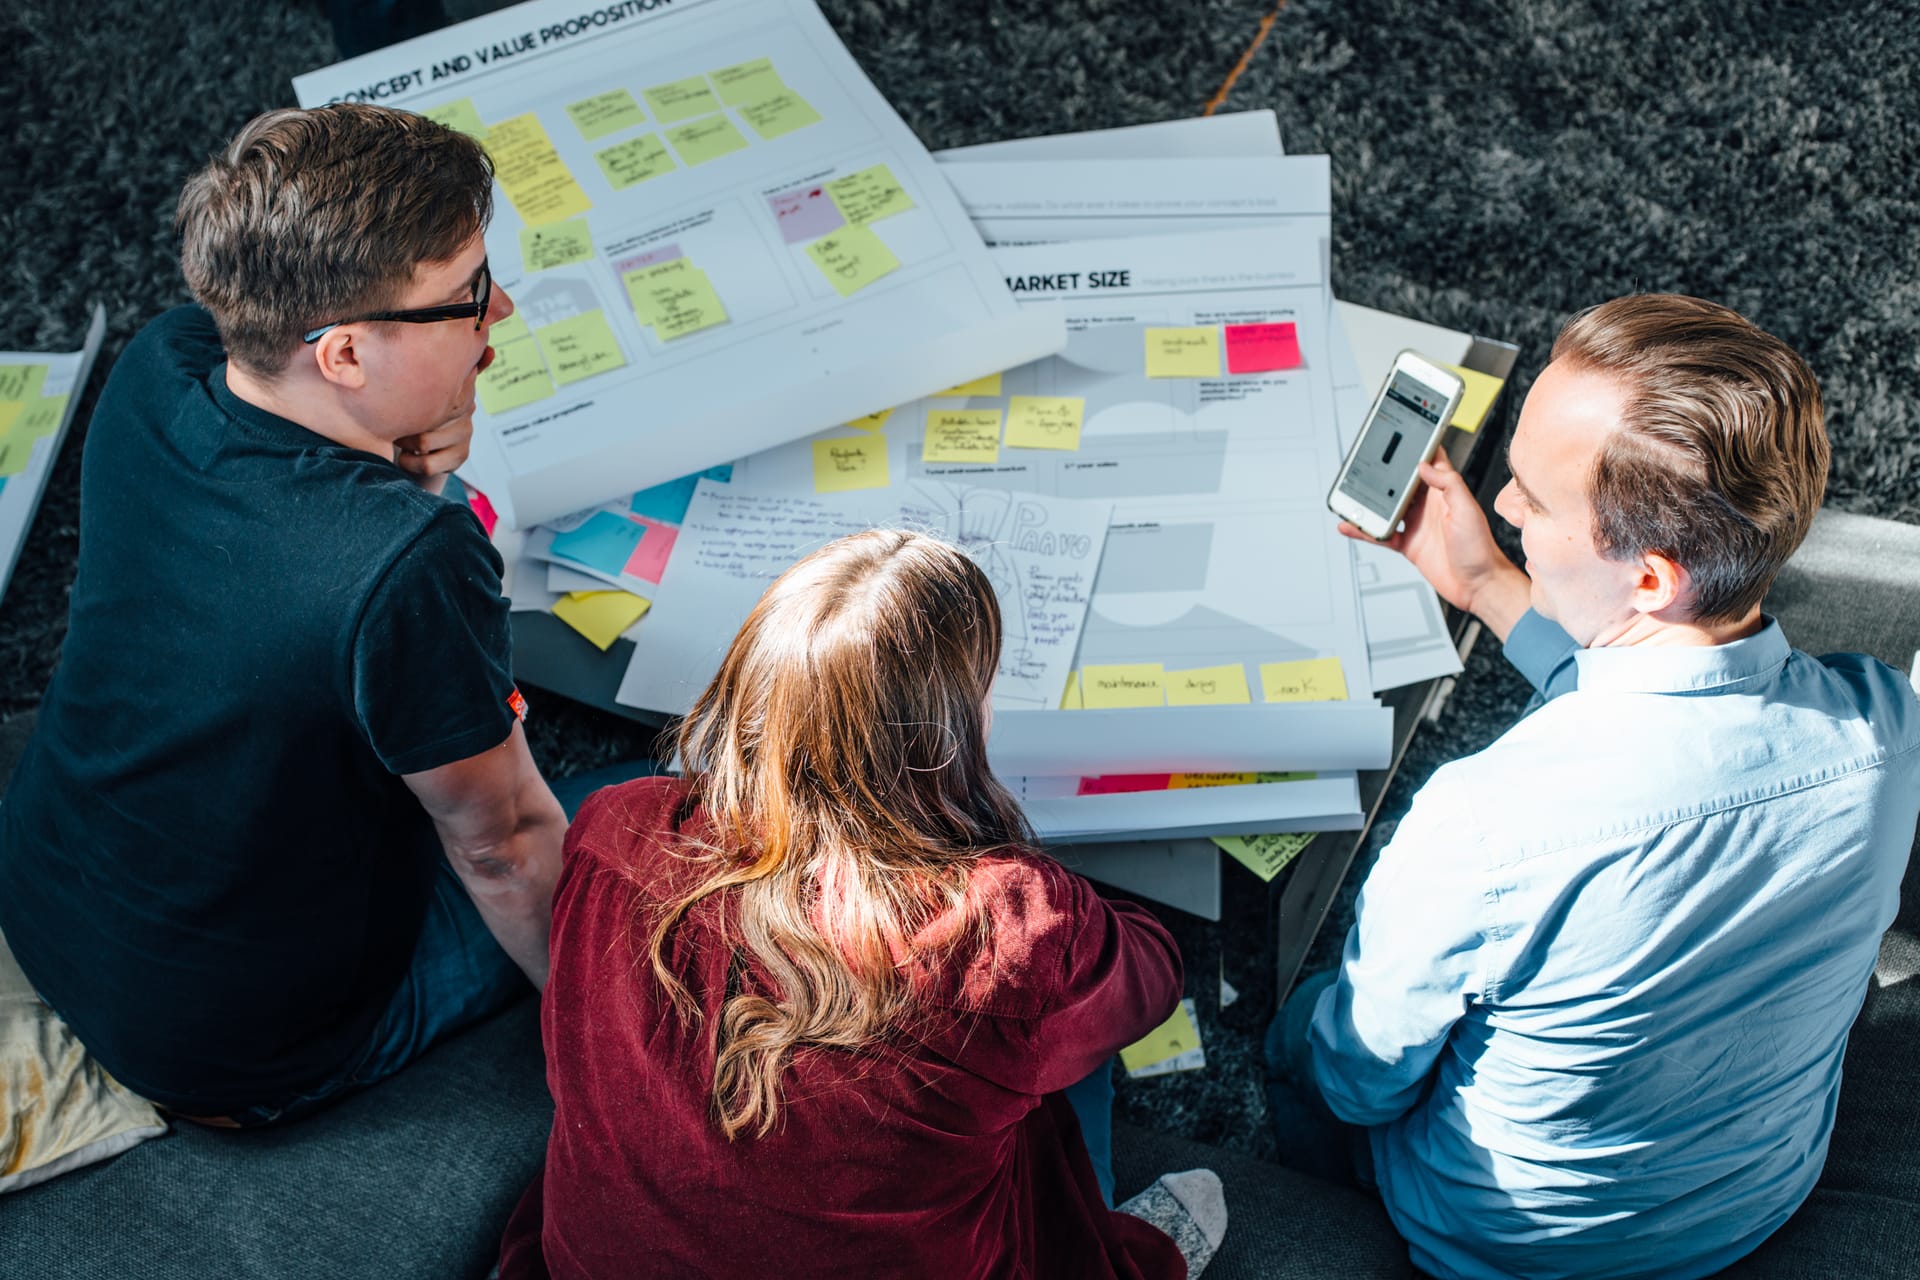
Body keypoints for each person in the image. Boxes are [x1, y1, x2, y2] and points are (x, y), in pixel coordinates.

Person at [1268, 294, 1920, 1279]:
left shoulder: (1482, 825)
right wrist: (1488, 582)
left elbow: (1364, 1077)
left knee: (1305, 1033)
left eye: (1532, 492)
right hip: (1755, 1191)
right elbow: (1677, 718)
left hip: (1506, 1243)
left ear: (1652, 579)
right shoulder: (1881, 725)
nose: (1504, 507)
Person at [0, 104, 567, 1126]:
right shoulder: (405, 563)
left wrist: (416, 450)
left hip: (51, 899)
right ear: (344, 354)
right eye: (465, 299)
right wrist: (602, 1032)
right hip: (235, 1045)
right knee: (663, 810)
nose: (503, 309)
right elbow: (503, 843)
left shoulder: (161, 363)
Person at [496, 530, 1228, 1279]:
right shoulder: (1006, 936)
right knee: (1070, 1050)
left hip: (596, 1262)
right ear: (950, 733)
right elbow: (1152, 978)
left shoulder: (614, 825)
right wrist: (1020, 883)